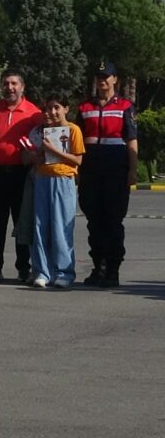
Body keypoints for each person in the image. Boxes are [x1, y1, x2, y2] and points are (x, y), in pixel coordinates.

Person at [77, 61, 138, 288]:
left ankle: (113, 269)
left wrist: (132, 170)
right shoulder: (84, 107)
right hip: (91, 171)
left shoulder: (125, 106)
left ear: (115, 79)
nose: (102, 80)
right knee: (94, 221)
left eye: (106, 76)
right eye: (99, 77)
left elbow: (131, 140)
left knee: (113, 221)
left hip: (115, 171)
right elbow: (76, 139)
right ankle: (98, 267)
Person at [0, 69, 42, 283]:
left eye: (14, 83)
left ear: (22, 87)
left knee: (21, 222)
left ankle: (24, 269)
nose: (10, 87)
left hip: (21, 174)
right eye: (6, 83)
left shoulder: (34, 113)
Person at [24, 95, 84, 288]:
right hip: (42, 179)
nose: (52, 112)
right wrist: (37, 155)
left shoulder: (73, 130)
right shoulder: (44, 131)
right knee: (40, 226)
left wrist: (53, 149)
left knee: (61, 227)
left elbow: (77, 160)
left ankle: (64, 272)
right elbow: (39, 157)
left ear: (66, 109)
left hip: (63, 180)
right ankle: (42, 271)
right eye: (49, 108)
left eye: (57, 107)